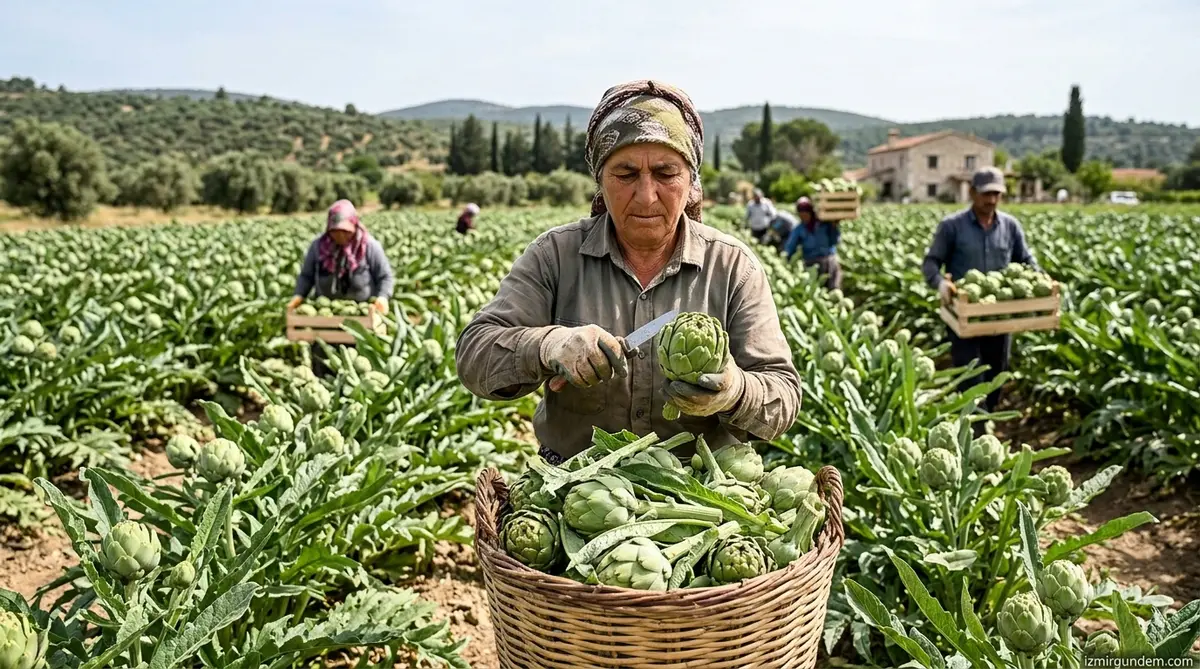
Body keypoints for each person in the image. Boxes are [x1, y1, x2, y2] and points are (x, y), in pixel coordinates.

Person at [455, 80, 802, 463]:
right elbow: (476, 355)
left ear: (691, 184)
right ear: (600, 182)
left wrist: (734, 392)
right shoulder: (555, 255)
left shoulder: (732, 266)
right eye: (625, 174)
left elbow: (783, 397)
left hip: (699, 500)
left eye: (666, 172)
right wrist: (548, 346)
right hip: (574, 487)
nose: (647, 195)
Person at [922, 166, 1041, 416]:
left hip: (1000, 312)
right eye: (987, 194)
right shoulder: (952, 226)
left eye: (997, 194)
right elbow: (931, 262)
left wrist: (1041, 278)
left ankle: (989, 412)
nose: (992, 200)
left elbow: (1026, 260)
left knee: (997, 370)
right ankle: (975, 424)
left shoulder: (1010, 226)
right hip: (964, 312)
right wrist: (941, 284)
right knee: (969, 370)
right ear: (973, 193)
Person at [288, 199, 395, 375]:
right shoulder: (318, 247)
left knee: (359, 366)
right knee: (324, 363)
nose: (340, 235)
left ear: (354, 225)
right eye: (335, 231)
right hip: (325, 319)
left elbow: (385, 277)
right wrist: (298, 296)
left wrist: (383, 297)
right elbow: (306, 276)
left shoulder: (369, 246)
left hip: (361, 318)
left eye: (345, 231)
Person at [783, 197, 842, 290]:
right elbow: (790, 246)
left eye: (805, 214)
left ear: (810, 212)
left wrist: (834, 227)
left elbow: (835, 241)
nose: (803, 217)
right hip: (811, 263)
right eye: (801, 215)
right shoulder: (799, 229)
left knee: (833, 288)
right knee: (816, 290)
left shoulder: (825, 224)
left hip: (829, 261)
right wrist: (786, 257)